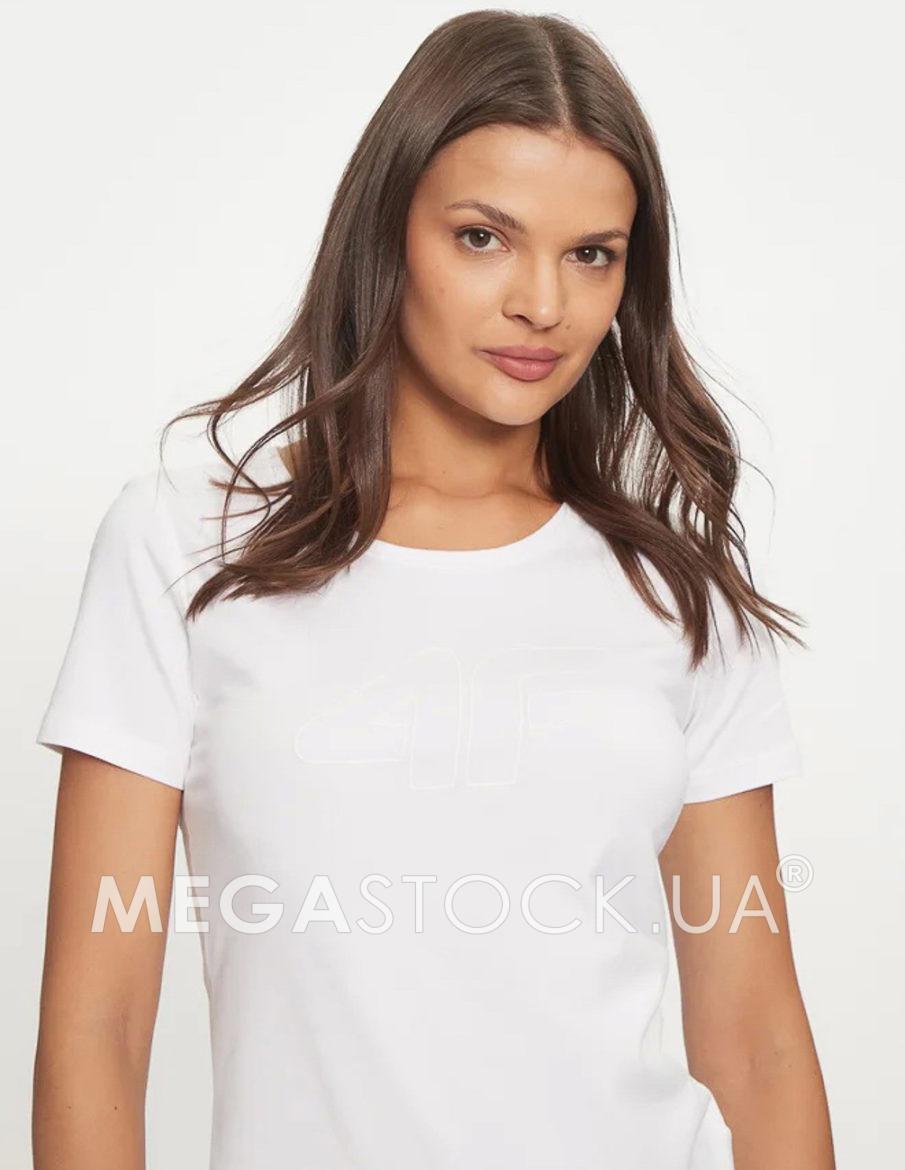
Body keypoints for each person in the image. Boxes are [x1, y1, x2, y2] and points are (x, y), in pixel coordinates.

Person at [31, 10, 835, 1170]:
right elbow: (95, 1032)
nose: (541, 303)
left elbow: (757, 1047)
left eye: (590, 254)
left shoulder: (672, 588)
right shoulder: (186, 544)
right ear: (387, 232)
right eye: (482, 237)